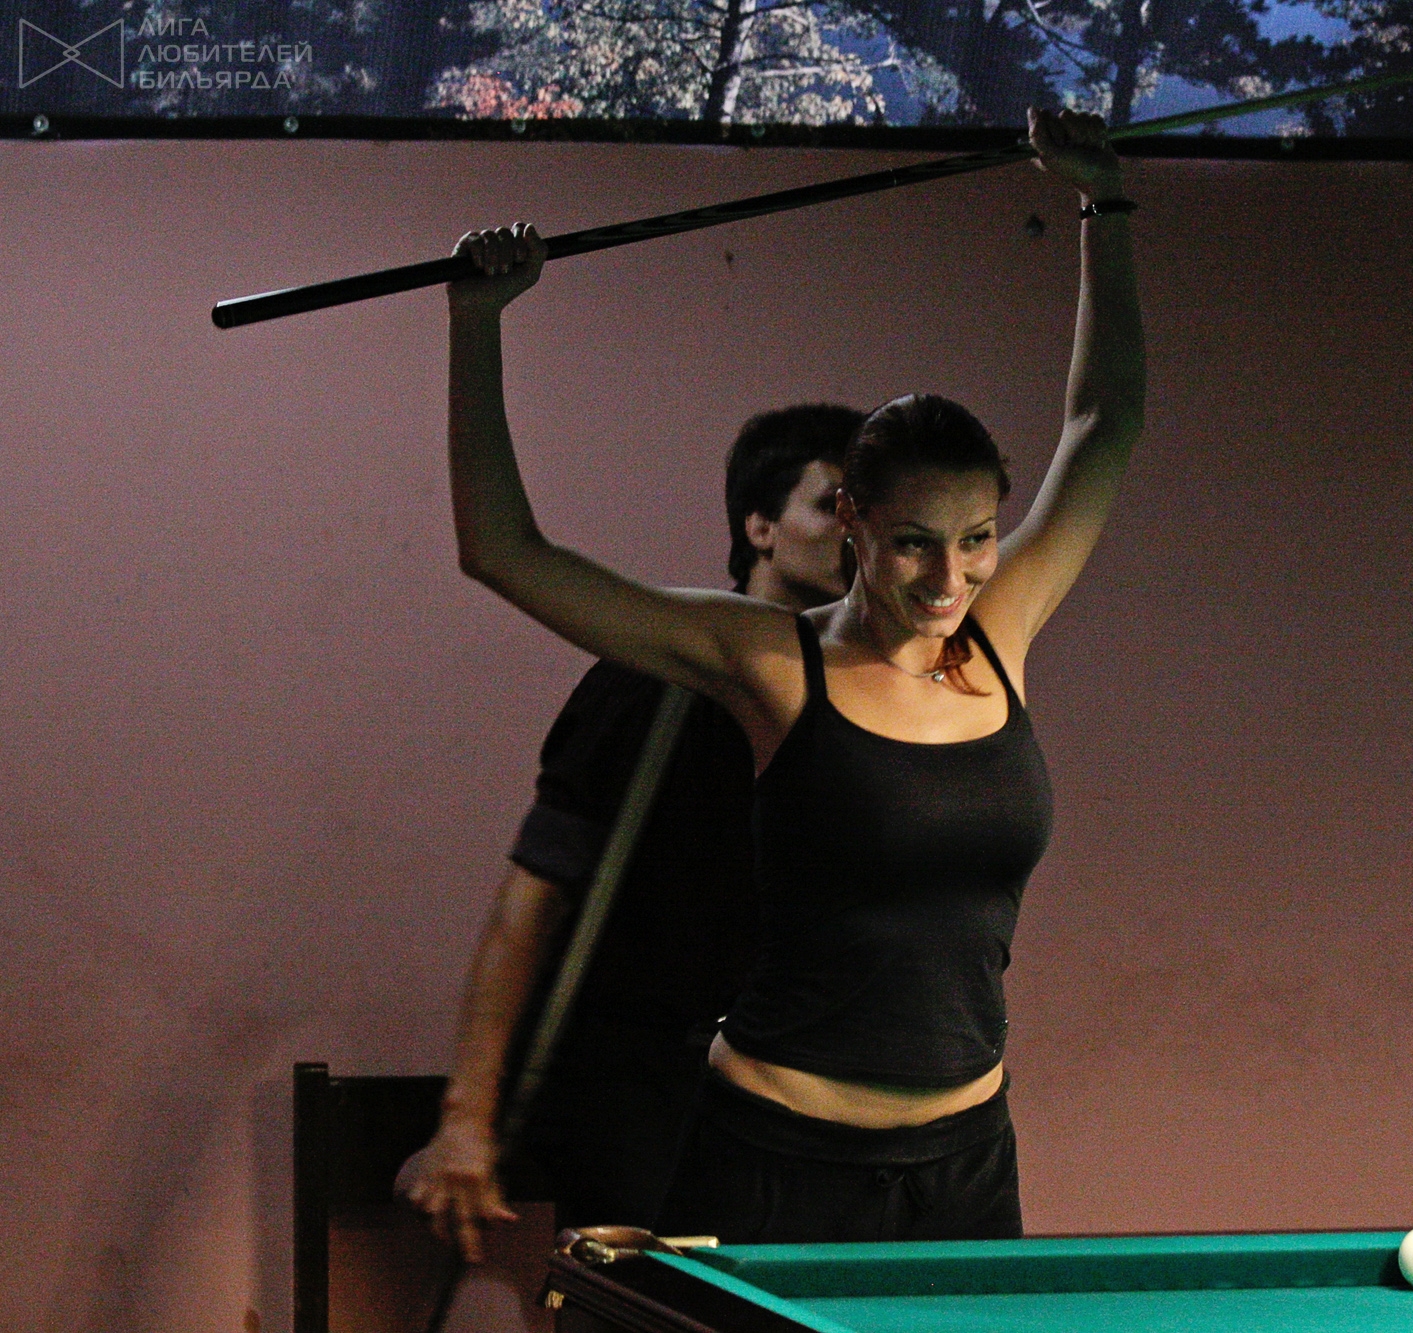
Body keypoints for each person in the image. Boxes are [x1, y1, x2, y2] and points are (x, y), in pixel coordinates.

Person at [440, 107, 1142, 1242]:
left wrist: (1101, 201)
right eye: (913, 542)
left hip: (965, 1160)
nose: (949, 576)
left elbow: (1104, 423)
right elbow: (505, 552)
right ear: (852, 521)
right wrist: (476, 324)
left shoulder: (999, 633)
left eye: (975, 539)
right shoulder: (772, 661)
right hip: (777, 1156)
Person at [397, 404, 863, 1262]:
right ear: (759, 527)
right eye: (832, 501)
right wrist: (466, 1117)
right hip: (649, 1096)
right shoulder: (652, 680)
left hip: (803, 1101)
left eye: (868, 507)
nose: (855, 529)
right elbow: (533, 897)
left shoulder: (870, 699)